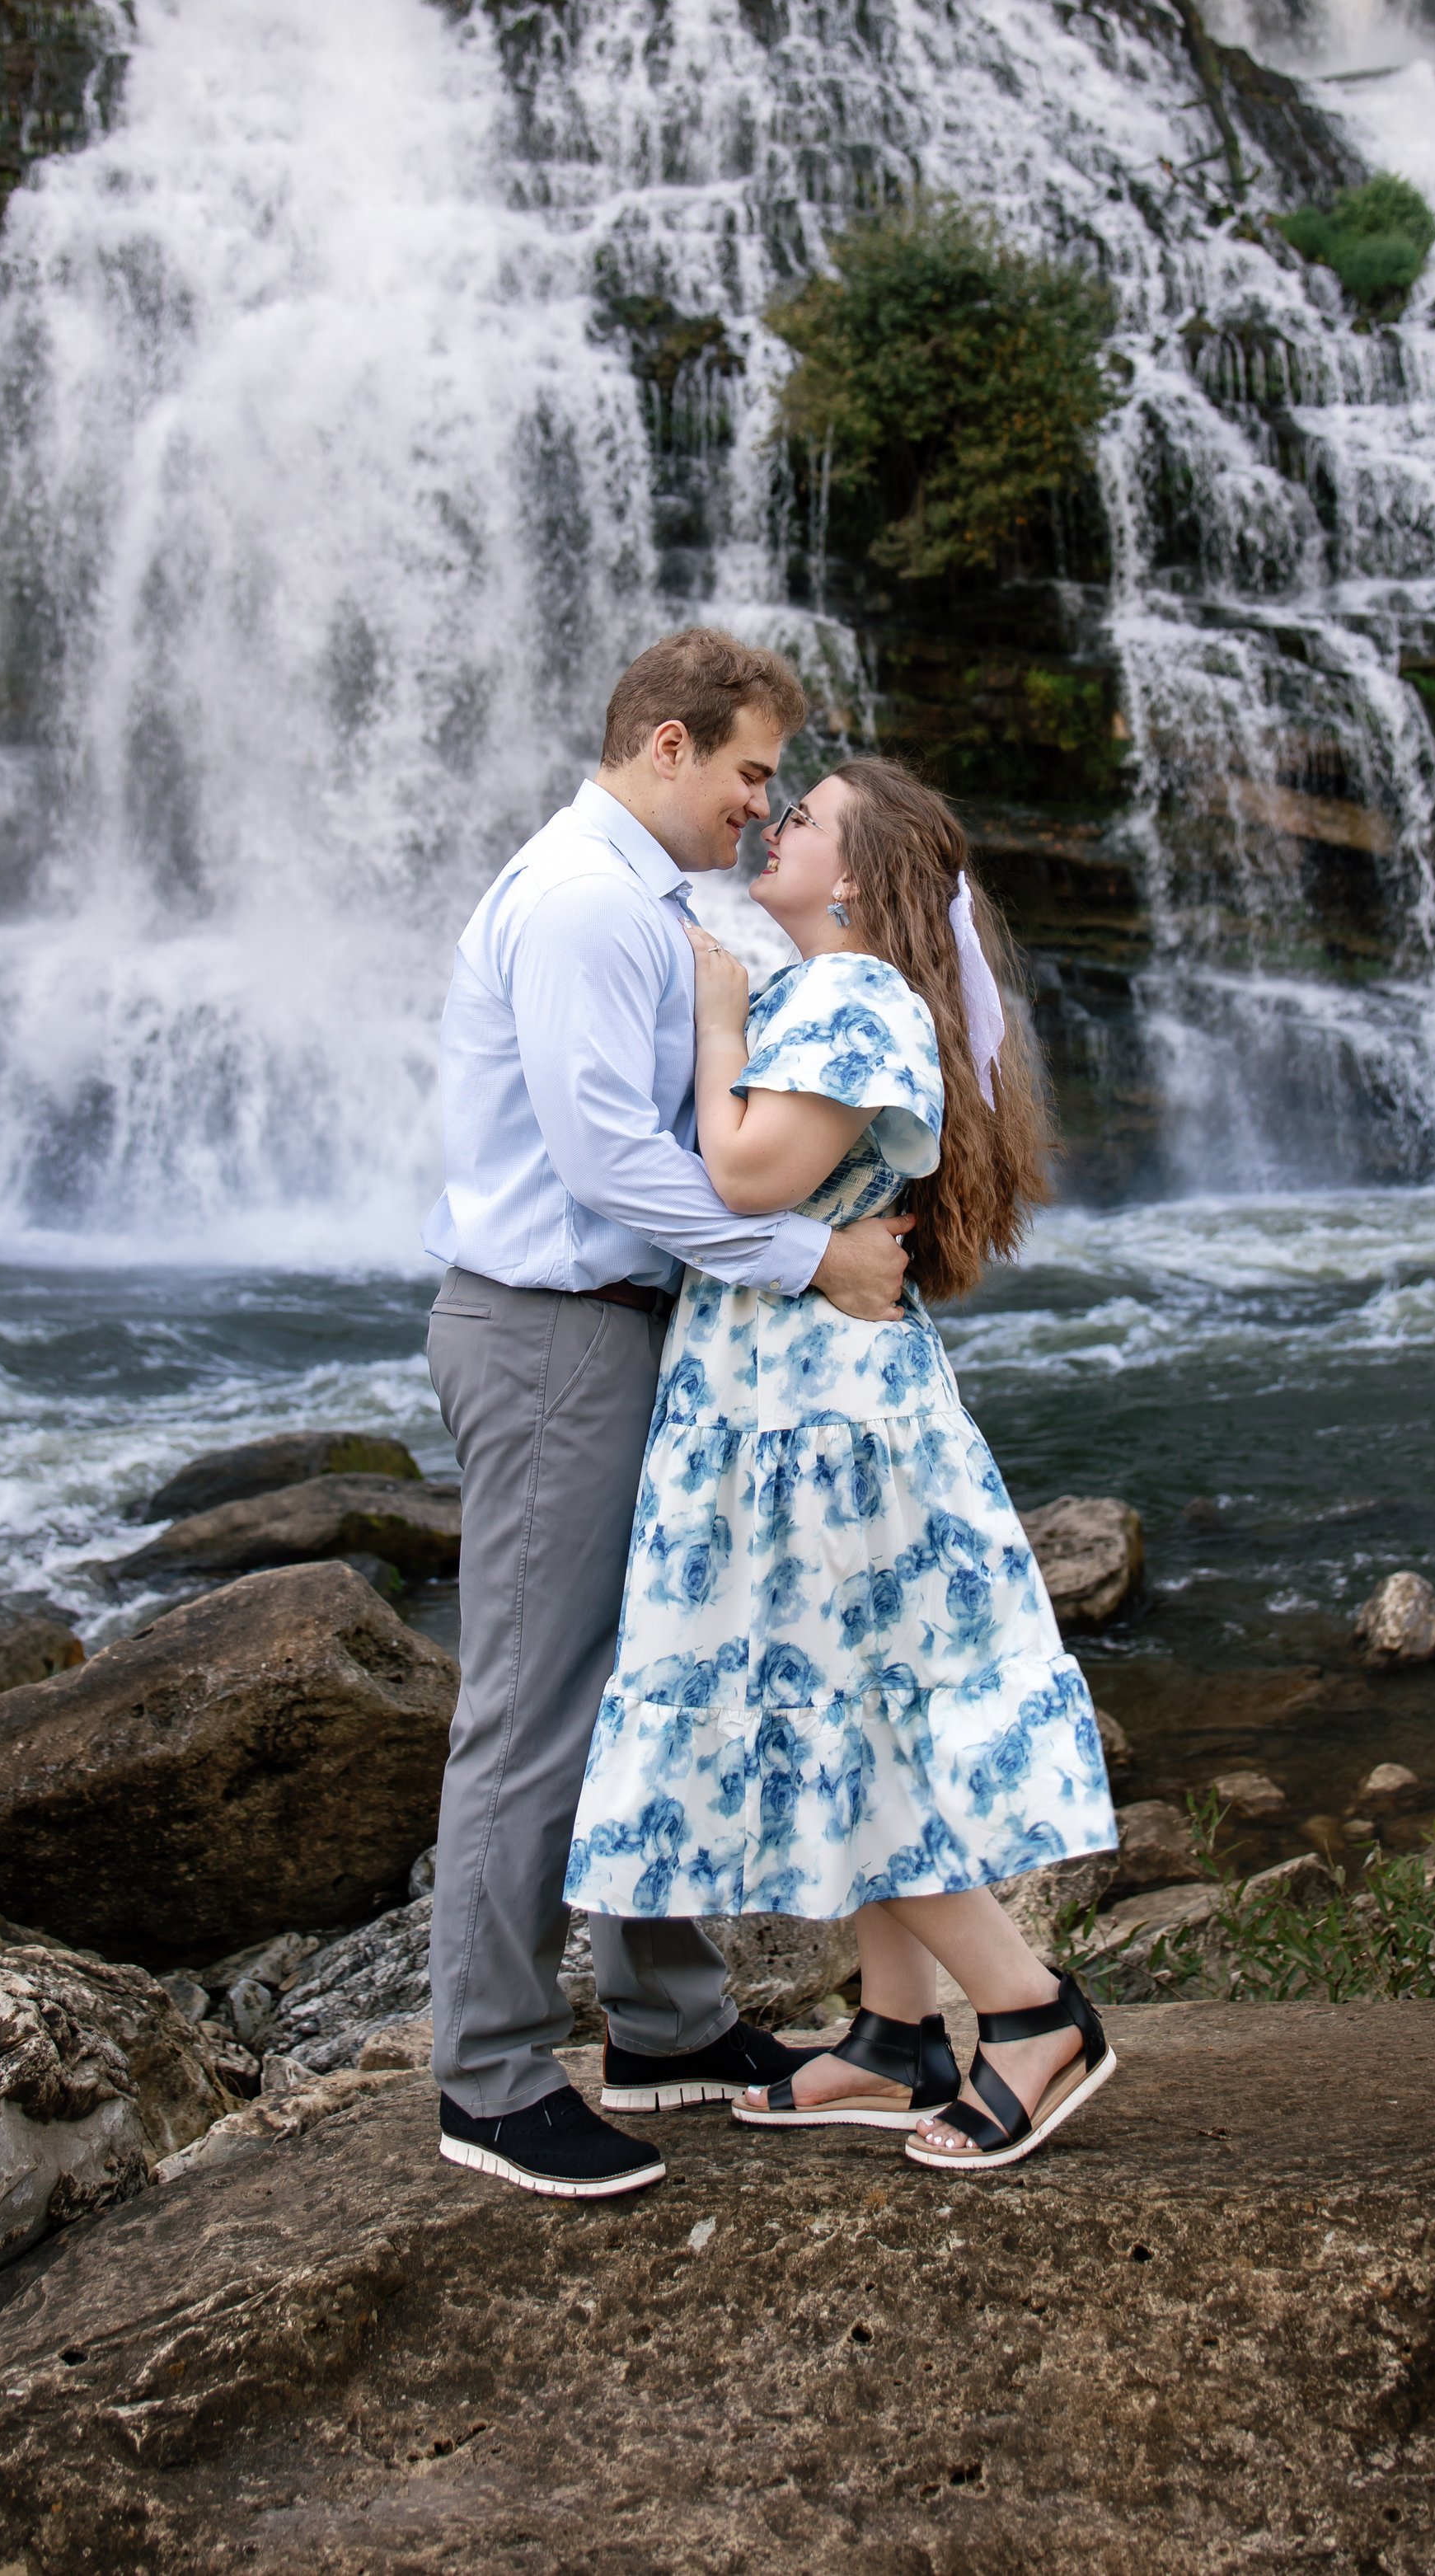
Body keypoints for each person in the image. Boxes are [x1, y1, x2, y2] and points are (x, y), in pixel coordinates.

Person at [567, 756, 1119, 2175]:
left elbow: (748, 1171)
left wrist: (710, 1019)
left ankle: (1034, 2008)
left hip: (817, 1423)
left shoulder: (856, 995)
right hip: (780, 1399)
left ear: (860, 878)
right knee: (842, 1696)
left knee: (854, 1713)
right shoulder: (831, 994)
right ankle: (893, 2031)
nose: (770, 822)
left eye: (801, 816)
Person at [422, 630, 917, 2201]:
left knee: (652, 1677)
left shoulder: (659, 901)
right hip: (556, 1334)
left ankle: (669, 2024)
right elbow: (609, 1169)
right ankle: (491, 2081)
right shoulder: (582, 903)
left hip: (631, 1334)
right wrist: (813, 1256)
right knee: (533, 1708)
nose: (761, 812)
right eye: (750, 773)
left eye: (781, 785)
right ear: (666, 749)